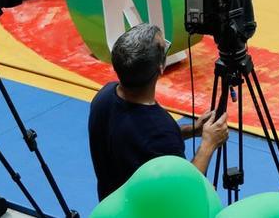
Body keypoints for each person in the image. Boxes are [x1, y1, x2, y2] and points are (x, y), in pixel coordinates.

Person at [88, 23, 229, 200]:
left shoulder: (103, 97)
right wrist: (208, 144)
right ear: (161, 67)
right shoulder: (160, 129)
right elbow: (182, 191)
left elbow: (138, 139)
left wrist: (193, 130)